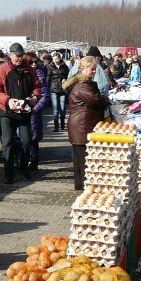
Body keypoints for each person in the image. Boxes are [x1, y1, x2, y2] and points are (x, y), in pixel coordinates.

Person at [0, 42, 41, 185]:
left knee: (27, 140)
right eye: (17, 56)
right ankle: (8, 172)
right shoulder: (2, 69)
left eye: (21, 56)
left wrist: (35, 97)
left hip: (24, 111)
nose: (19, 58)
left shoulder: (29, 69)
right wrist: (8, 100)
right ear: (10, 55)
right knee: (8, 142)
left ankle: (23, 167)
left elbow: (36, 86)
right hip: (6, 111)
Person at [63, 56, 108, 190]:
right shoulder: (83, 85)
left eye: (95, 69)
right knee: (84, 159)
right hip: (82, 126)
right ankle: (85, 187)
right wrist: (105, 99)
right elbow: (96, 100)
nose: (94, 72)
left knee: (79, 159)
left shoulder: (83, 83)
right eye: (92, 69)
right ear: (83, 69)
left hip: (81, 124)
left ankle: (80, 186)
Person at [24, 52, 50, 172]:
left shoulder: (40, 73)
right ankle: (24, 162)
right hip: (23, 110)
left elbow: (45, 95)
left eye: (36, 62)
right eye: (31, 62)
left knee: (33, 139)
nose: (34, 64)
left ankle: (33, 163)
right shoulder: (23, 72)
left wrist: (35, 109)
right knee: (23, 138)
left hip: (34, 111)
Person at [46, 52, 70, 132]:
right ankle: (56, 126)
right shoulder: (50, 67)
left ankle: (62, 124)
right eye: (54, 59)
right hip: (53, 89)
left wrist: (65, 80)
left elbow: (69, 75)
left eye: (57, 58)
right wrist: (47, 88)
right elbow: (48, 78)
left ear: (60, 58)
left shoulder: (64, 66)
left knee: (63, 108)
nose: (56, 60)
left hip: (62, 89)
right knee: (55, 108)